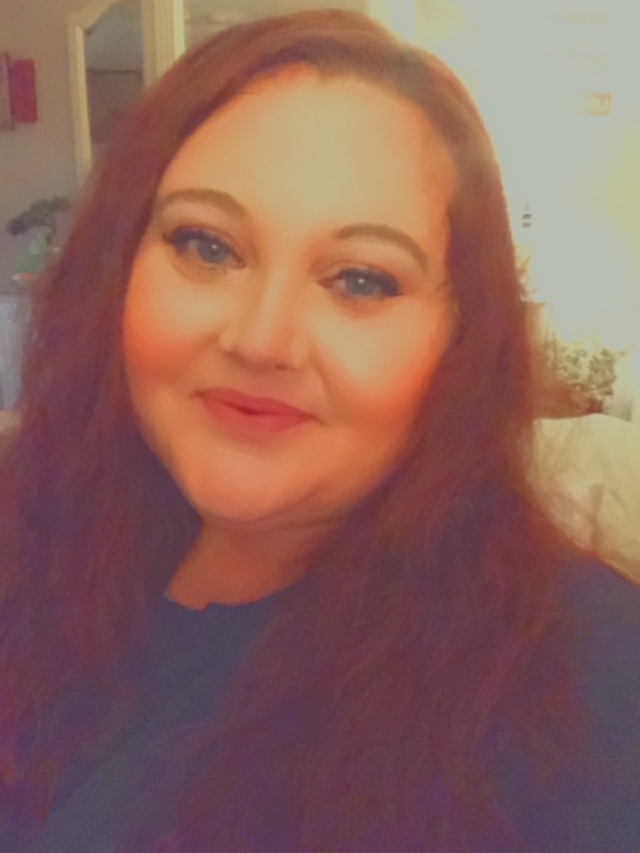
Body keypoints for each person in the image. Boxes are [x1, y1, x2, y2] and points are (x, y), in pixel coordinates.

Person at [0, 9, 638, 853]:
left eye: (361, 280)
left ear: (461, 338)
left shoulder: (587, 679)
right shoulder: (31, 538)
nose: (262, 339)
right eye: (207, 246)